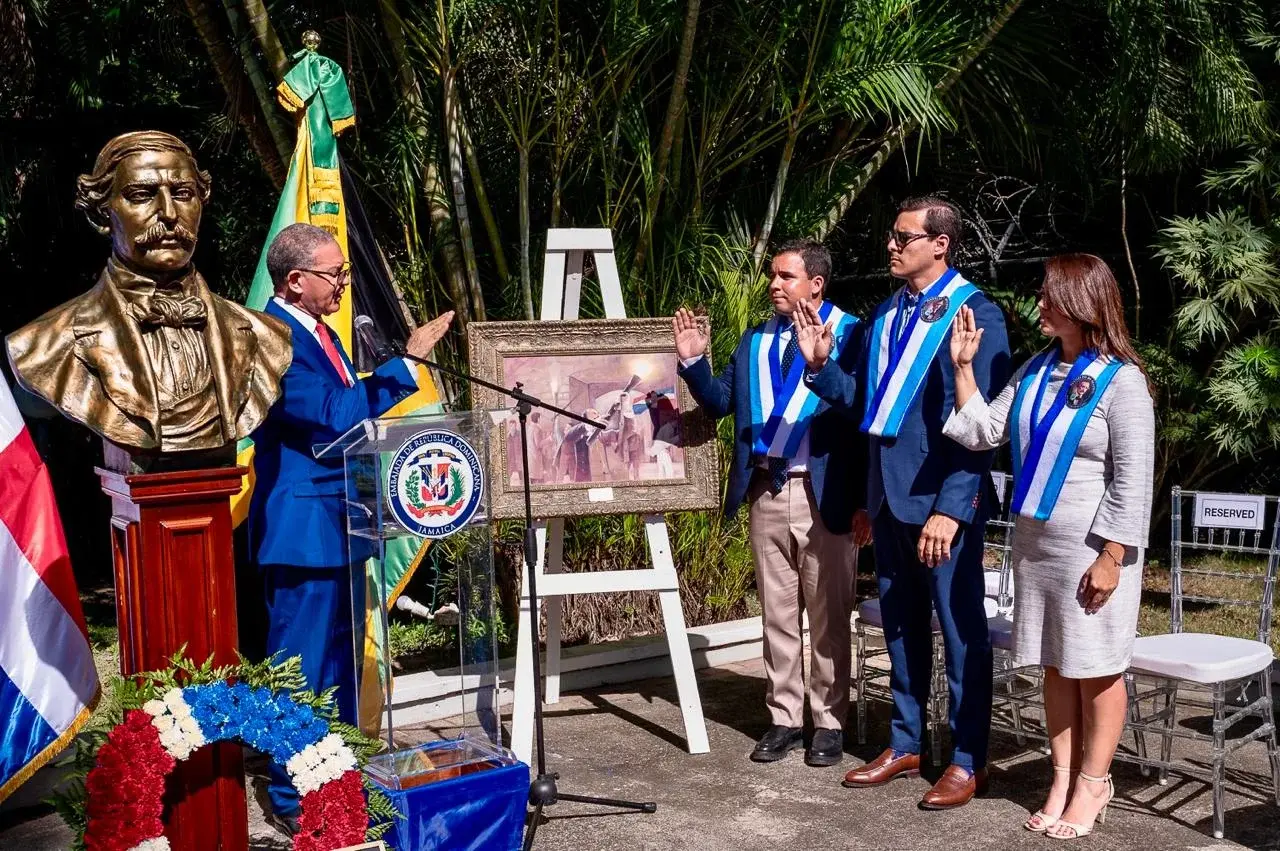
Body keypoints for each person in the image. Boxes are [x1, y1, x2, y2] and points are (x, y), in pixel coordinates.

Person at [248, 222, 453, 836]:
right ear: (294, 280)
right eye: (334, 273)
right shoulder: (274, 337)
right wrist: (406, 363)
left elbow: (349, 420)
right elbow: (333, 417)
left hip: (341, 524)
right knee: (300, 668)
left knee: (337, 667)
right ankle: (291, 796)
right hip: (302, 530)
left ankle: (332, 779)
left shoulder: (320, 333)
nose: (343, 282)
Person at [943, 253, 1154, 839]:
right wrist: (964, 371)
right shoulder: (1035, 370)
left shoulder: (1123, 382)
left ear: (1081, 303)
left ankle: (1095, 783)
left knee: (1099, 669)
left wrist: (1112, 557)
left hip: (1093, 552)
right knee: (1057, 667)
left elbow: (1134, 480)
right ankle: (1060, 777)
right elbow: (984, 430)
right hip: (1037, 546)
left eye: (1048, 294)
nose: (1038, 302)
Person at [830, 196, 1010, 809]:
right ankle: (906, 743)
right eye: (892, 234)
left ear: (941, 244)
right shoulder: (884, 313)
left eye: (904, 237)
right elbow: (869, 405)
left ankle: (967, 759)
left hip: (941, 505)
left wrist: (953, 507)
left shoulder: (976, 313)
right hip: (887, 498)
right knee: (902, 627)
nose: (892, 246)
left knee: (961, 634)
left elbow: (980, 424)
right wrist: (822, 367)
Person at [674, 239, 871, 767]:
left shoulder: (852, 335)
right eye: (773, 276)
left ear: (817, 284)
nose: (774, 285)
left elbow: (860, 410)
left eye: (786, 277)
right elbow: (721, 403)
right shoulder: (755, 339)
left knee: (828, 615)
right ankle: (783, 717)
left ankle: (829, 723)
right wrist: (694, 362)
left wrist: (822, 364)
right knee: (777, 615)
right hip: (767, 488)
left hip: (823, 493)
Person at [6, 131, 291, 460]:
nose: (169, 213)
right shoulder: (45, 345)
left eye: (183, 193)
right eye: (142, 195)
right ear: (102, 215)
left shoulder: (266, 334)